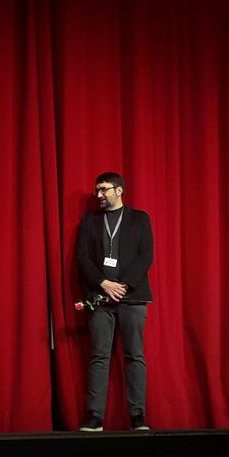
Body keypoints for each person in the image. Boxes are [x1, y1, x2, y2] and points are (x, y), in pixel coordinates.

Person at [75, 171, 154, 432]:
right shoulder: (89, 222)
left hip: (132, 297)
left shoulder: (140, 219)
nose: (99, 194)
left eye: (104, 189)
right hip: (100, 298)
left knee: (135, 355)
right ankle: (95, 416)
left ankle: (138, 417)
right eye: (97, 190)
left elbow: (146, 256)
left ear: (119, 190)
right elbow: (82, 257)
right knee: (99, 356)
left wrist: (122, 286)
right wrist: (103, 284)